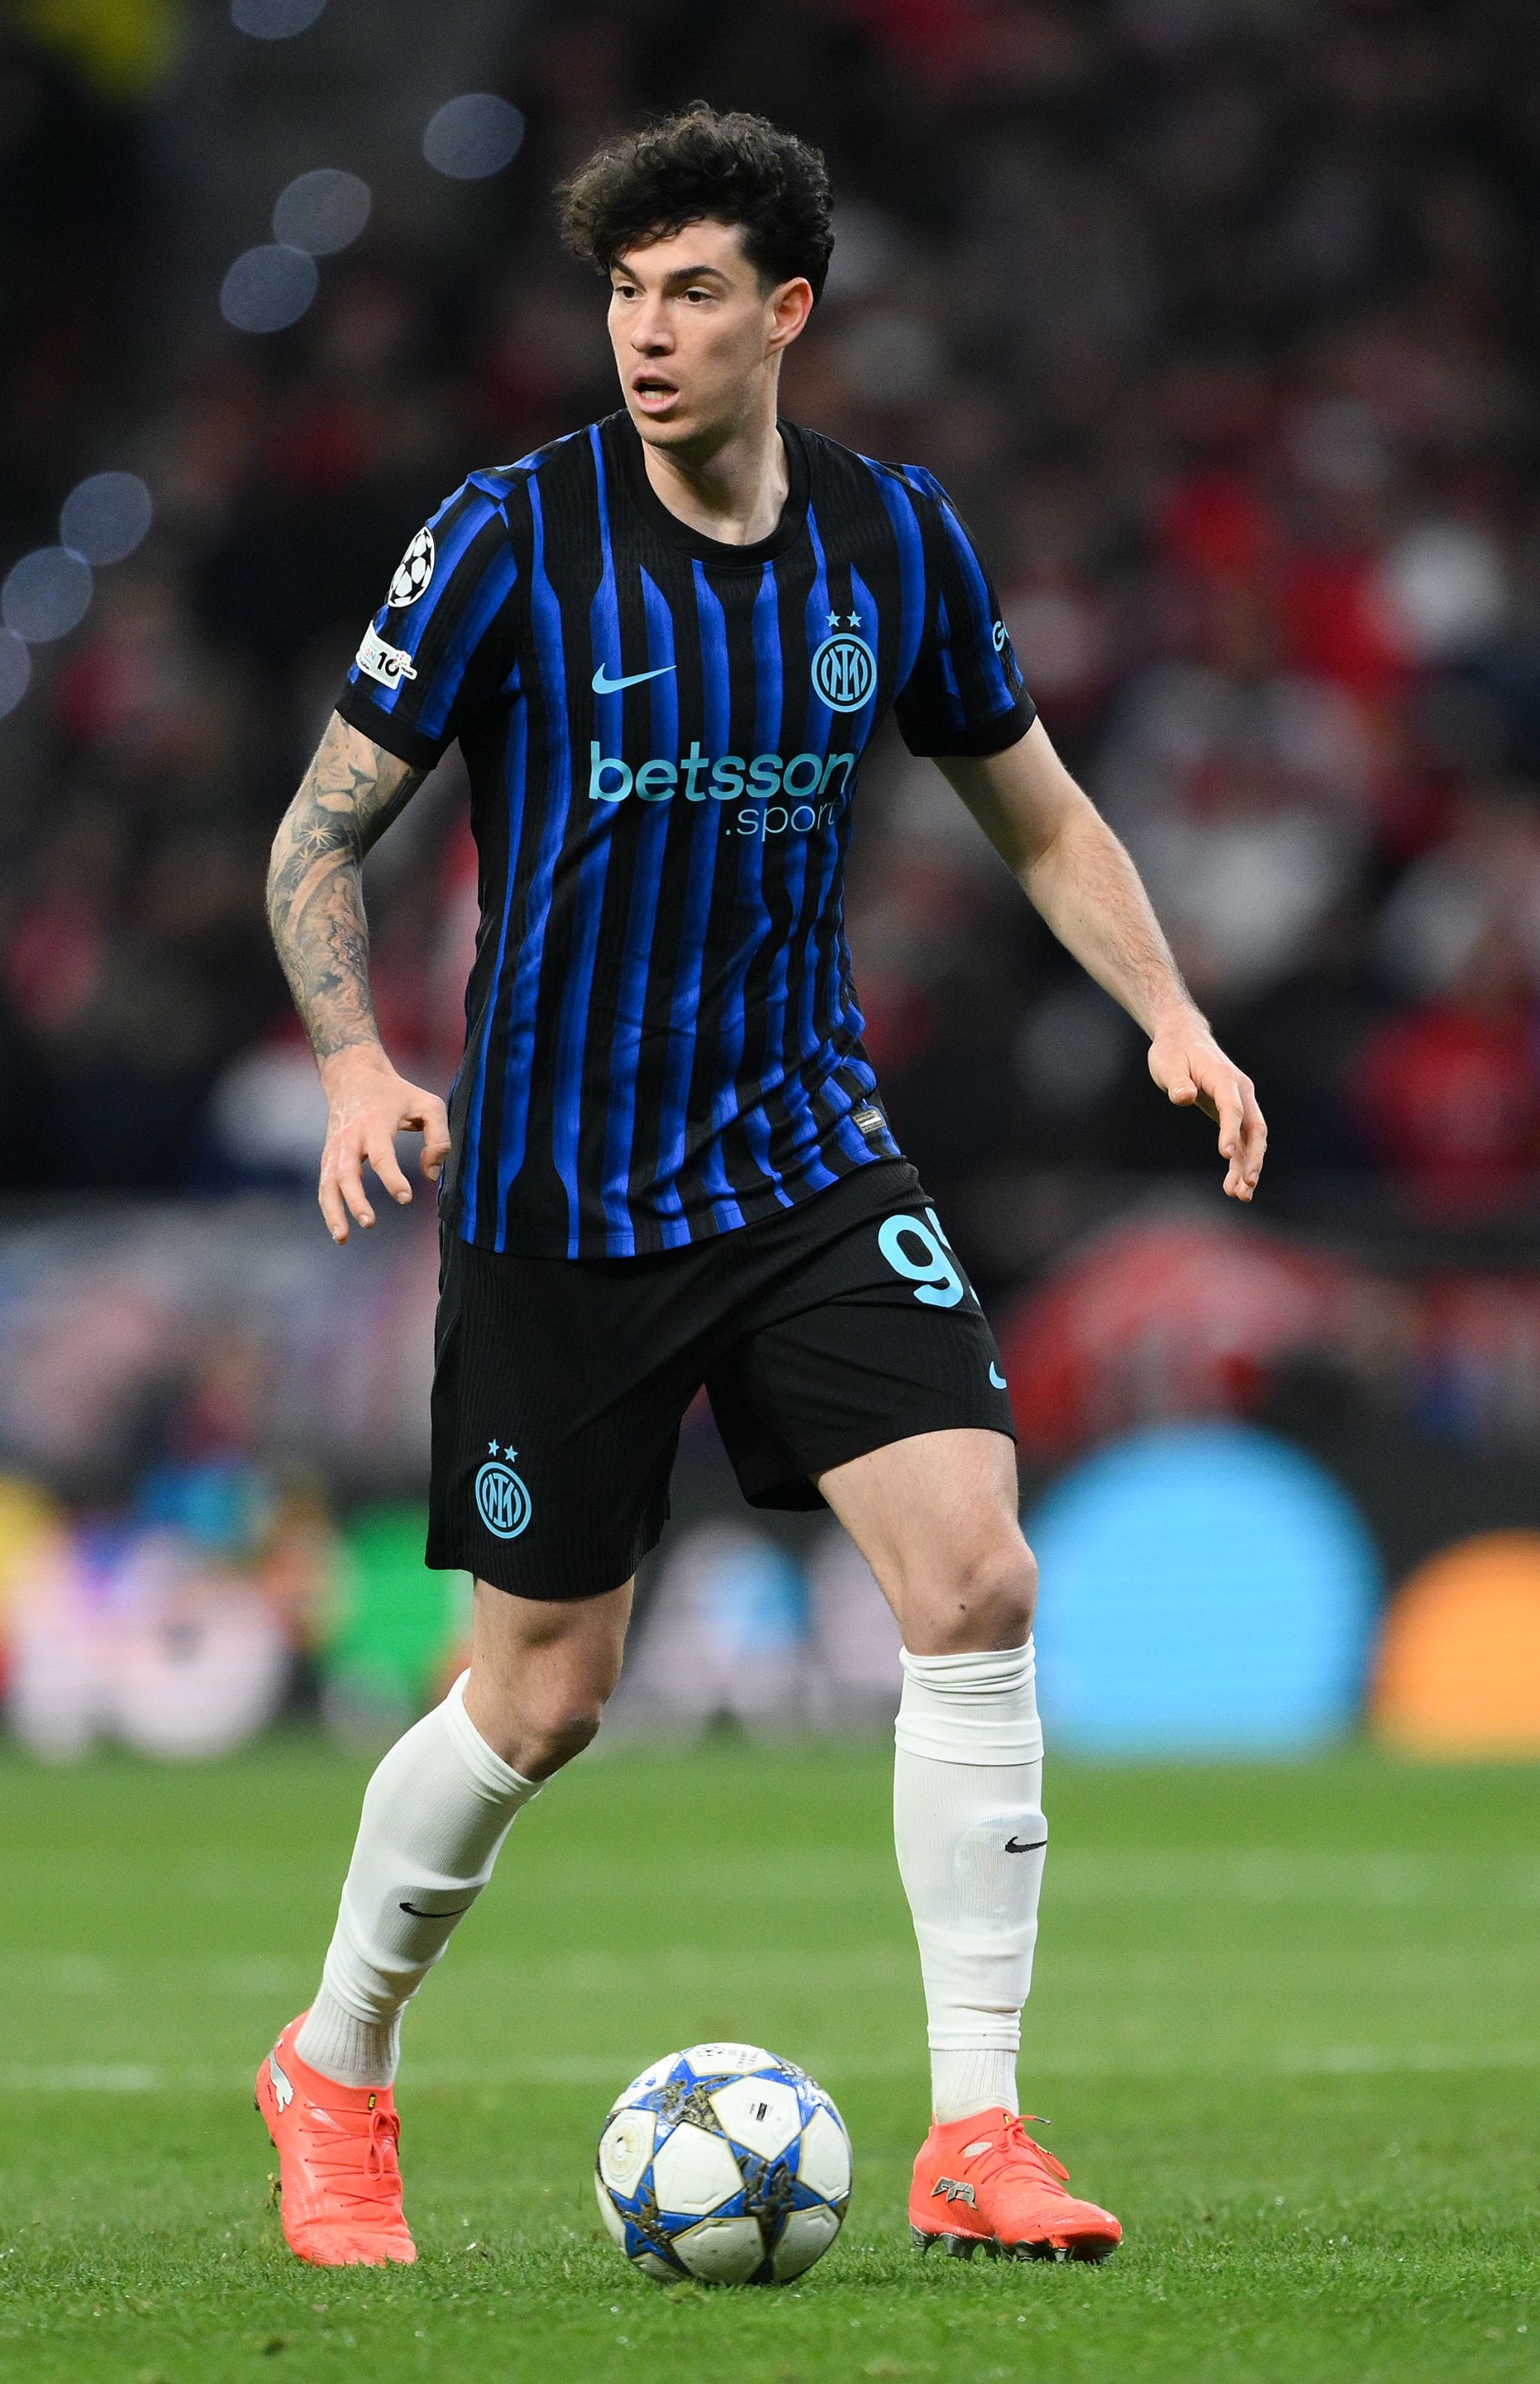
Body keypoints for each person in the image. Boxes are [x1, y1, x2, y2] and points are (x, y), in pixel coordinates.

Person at [256, 105, 1264, 2270]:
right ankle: (334, 2066)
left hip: (804, 1157)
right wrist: (350, 1056)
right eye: (625, 293)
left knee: (978, 1581)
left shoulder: (894, 544)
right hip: (559, 1194)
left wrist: (1171, 1008)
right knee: (542, 1698)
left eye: (694, 292)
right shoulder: (508, 537)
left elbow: (1038, 808)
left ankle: (976, 2128)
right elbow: (317, 833)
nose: (647, 332)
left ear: (787, 312)